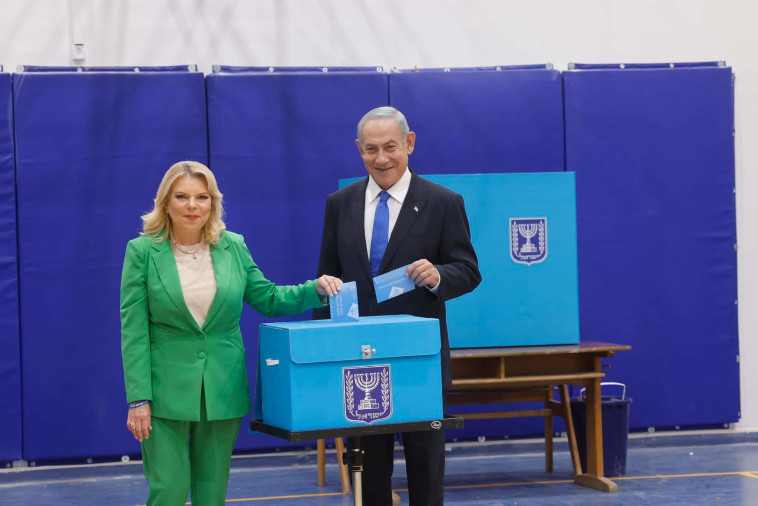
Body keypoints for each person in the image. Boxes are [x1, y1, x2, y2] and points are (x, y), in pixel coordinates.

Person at [121, 161, 341, 505]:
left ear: (213, 203)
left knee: (212, 493)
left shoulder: (233, 246)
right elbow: (133, 330)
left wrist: (316, 290)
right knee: (170, 489)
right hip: (162, 391)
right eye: (182, 197)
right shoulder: (142, 251)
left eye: (201, 197)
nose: (192, 206)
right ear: (166, 203)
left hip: (223, 387)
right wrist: (138, 399)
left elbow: (268, 298)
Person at [316, 107, 481, 505]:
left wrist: (439, 275)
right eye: (370, 149)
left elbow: (468, 270)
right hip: (359, 360)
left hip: (417, 359)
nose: (381, 158)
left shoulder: (443, 202)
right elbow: (327, 279)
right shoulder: (340, 203)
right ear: (359, 150)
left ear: (409, 143)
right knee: (367, 469)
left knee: (425, 465)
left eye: (390, 146)